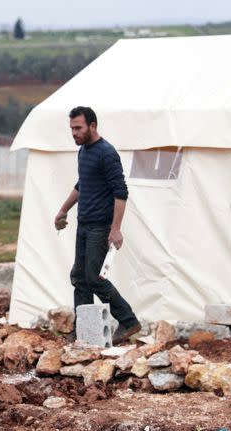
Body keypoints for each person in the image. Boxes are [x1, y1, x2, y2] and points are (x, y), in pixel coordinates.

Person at [54, 106, 141, 344]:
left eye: (78, 128)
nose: (74, 133)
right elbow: (82, 184)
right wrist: (63, 209)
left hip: (100, 227)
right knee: (79, 277)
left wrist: (115, 229)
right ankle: (84, 330)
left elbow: (120, 192)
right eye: (72, 128)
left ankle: (128, 320)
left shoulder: (106, 153)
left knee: (93, 278)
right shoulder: (83, 152)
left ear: (92, 126)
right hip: (83, 225)